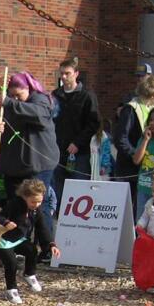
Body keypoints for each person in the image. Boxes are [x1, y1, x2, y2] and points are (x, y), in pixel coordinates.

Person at [0, 72, 59, 225]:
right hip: (14, 167)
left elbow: (39, 115)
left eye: (18, 95)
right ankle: (18, 245)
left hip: (38, 167)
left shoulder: (41, 100)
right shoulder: (10, 104)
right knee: (15, 209)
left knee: (39, 207)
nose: (15, 99)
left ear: (29, 88)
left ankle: (46, 245)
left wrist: (10, 103)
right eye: (12, 96)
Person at [113, 74, 154, 214]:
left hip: (148, 170)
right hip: (130, 168)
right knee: (130, 210)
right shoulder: (131, 109)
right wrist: (135, 154)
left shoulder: (152, 109)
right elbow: (121, 138)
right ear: (153, 94)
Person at [0, 177, 59, 303]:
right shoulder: (14, 204)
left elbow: (42, 228)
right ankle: (11, 290)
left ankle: (29, 273)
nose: (37, 204)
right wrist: (6, 222)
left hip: (19, 239)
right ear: (24, 197)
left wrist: (51, 244)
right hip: (4, 241)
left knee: (32, 250)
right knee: (11, 264)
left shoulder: (36, 210)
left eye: (39, 201)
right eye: (33, 202)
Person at [51, 57, 101, 203]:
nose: (64, 77)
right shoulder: (55, 95)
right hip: (58, 150)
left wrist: (78, 142)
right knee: (58, 189)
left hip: (80, 152)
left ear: (76, 74)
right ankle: (60, 217)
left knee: (79, 189)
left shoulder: (87, 96)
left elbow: (94, 123)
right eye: (62, 74)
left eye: (67, 73)